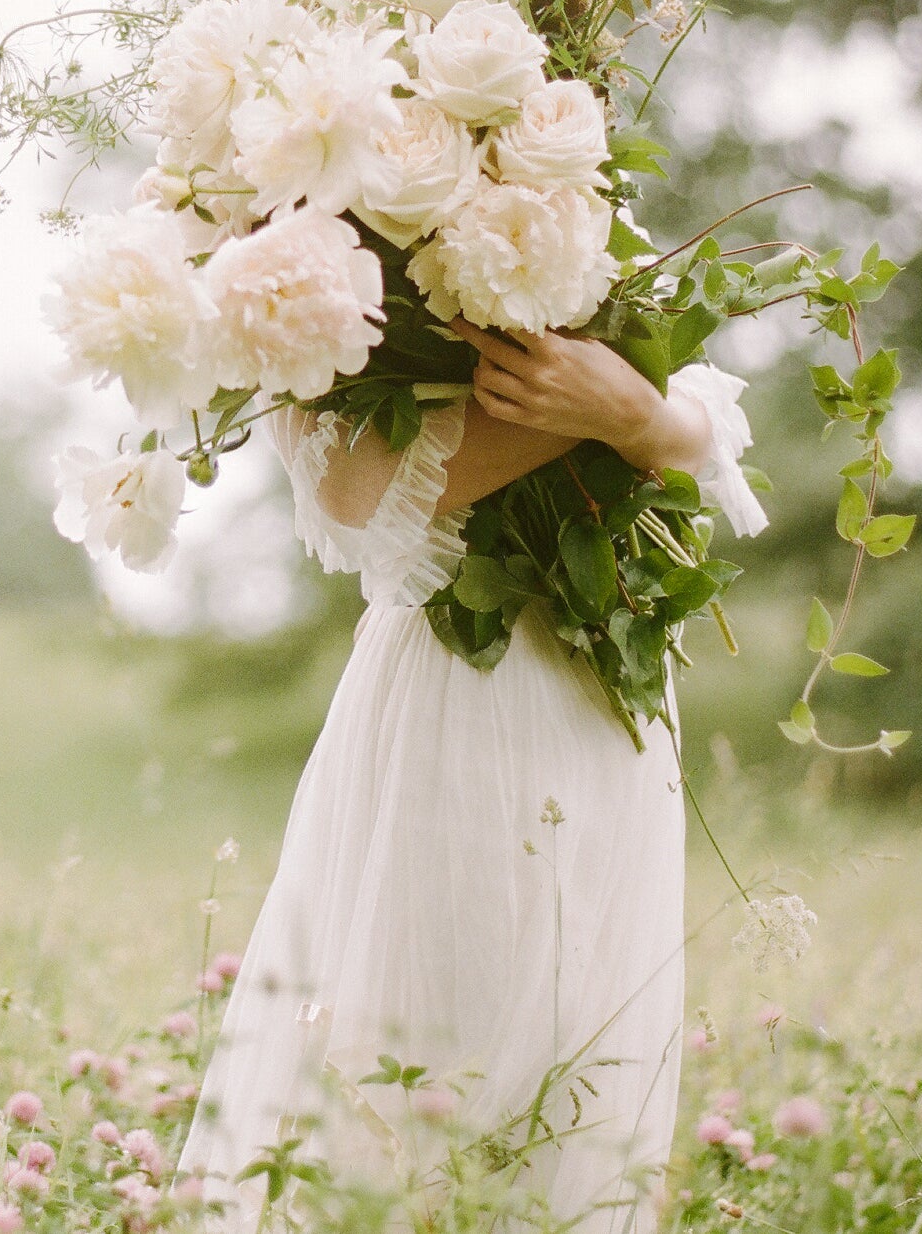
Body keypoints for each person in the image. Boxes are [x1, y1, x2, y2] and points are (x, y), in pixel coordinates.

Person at [175, 320, 765, 1234]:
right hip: (462, 689)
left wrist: (629, 408)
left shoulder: (569, 196)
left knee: (589, 1052)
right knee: (436, 1053)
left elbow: (699, 431)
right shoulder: (305, 252)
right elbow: (354, 494)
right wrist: (605, 412)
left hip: (609, 700)